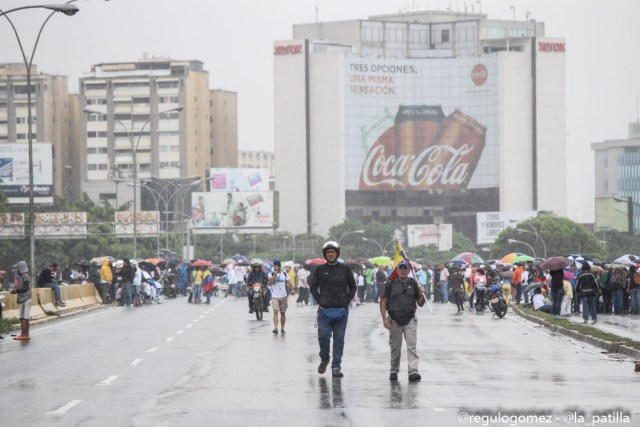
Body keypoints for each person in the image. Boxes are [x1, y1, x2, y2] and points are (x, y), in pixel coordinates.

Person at [310, 241, 357, 378]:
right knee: (323, 337)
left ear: (337, 253)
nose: (331, 254)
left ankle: (336, 366)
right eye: (328, 252)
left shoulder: (345, 269)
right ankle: (324, 359)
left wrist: (346, 300)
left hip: (341, 310)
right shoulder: (320, 270)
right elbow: (313, 287)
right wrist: (320, 299)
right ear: (325, 254)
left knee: (339, 340)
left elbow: (353, 287)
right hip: (324, 310)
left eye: (333, 252)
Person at [380, 260, 425, 382]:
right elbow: (383, 300)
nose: (403, 270)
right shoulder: (390, 283)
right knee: (395, 347)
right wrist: (384, 319)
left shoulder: (413, 283)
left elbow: (420, 303)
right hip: (394, 319)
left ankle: (413, 371)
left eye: (406, 268)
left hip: (410, 319)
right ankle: (394, 370)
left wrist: (421, 294)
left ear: (409, 270)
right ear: (397, 270)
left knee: (412, 346)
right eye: (401, 268)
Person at [10, 261, 31, 341]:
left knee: (23, 317)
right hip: (25, 298)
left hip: (24, 299)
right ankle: (26, 334)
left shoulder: (25, 276)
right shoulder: (24, 276)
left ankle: (24, 334)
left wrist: (15, 290)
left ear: (21, 268)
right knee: (26, 318)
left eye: (18, 268)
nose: (17, 270)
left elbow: (25, 288)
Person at [268, 260, 288, 334]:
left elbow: (288, 282)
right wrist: (275, 275)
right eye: (274, 265)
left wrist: (293, 289)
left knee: (282, 313)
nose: (274, 267)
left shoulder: (285, 274)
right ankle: (276, 328)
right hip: (275, 296)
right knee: (275, 311)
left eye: (276, 265)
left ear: (279, 266)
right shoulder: (270, 273)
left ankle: (282, 328)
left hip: (283, 296)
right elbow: (271, 281)